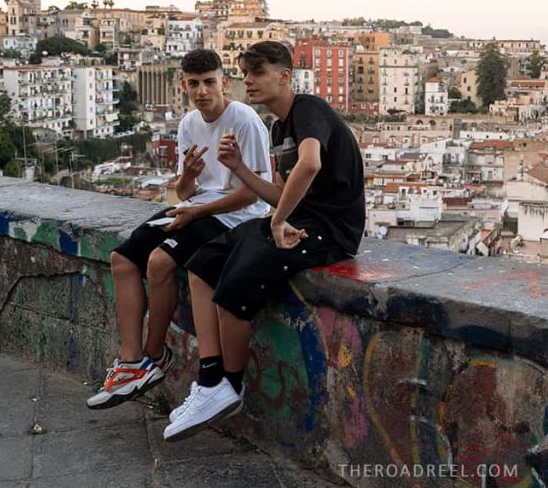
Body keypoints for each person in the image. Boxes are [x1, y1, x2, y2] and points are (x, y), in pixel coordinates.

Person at [162, 40, 365, 441]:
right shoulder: (277, 126)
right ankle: (209, 378)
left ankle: (228, 387)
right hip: (296, 219)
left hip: (330, 230)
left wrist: (279, 222)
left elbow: (310, 164)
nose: (248, 81)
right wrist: (239, 169)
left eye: (257, 72)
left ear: (284, 76)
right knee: (204, 264)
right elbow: (279, 193)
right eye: (245, 73)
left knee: (237, 283)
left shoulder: (309, 109)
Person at [87, 49, 272, 409]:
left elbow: (253, 196)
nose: (202, 90)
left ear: (224, 83)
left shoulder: (245, 120)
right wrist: (187, 175)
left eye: (209, 82)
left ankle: (154, 356)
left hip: (234, 217)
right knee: (122, 260)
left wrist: (197, 210)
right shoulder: (189, 124)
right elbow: (185, 191)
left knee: (159, 262)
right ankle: (130, 362)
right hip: (195, 208)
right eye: (194, 84)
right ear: (184, 85)